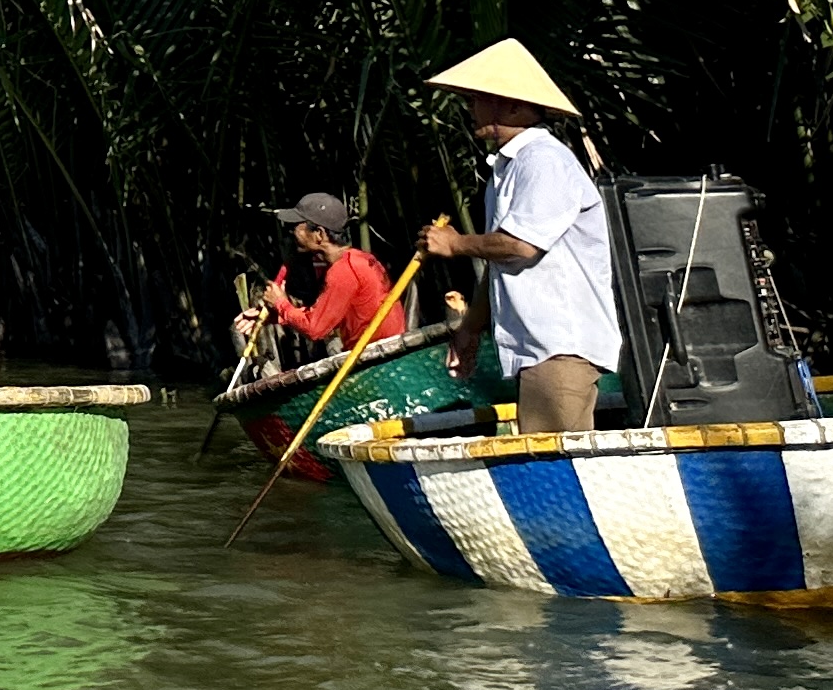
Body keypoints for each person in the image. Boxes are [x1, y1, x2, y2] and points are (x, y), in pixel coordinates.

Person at [416, 39, 622, 435]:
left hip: (560, 344)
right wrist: (470, 330)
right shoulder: (508, 168)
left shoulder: (543, 160)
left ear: (512, 106)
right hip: (540, 347)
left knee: (555, 462)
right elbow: (501, 263)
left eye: (478, 98)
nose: (471, 108)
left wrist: (455, 243)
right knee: (549, 456)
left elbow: (520, 245)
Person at [245, 190, 393, 362]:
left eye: (296, 227)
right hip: (378, 352)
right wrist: (278, 316)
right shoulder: (362, 259)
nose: (292, 233)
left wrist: (280, 303)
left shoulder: (344, 271)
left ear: (320, 234)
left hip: (376, 358)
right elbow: (323, 316)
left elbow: (316, 329)